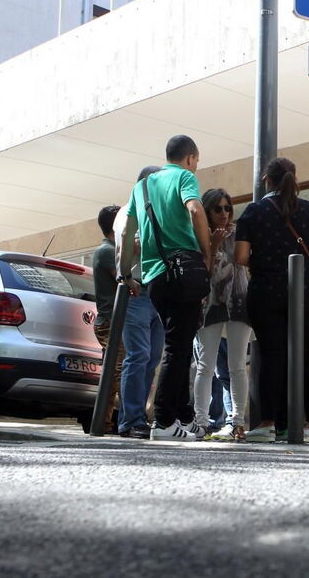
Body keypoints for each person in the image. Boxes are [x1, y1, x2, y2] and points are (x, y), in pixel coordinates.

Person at [118, 135, 211, 441]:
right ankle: (164, 421)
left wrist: (125, 275)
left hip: (155, 277)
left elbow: (126, 234)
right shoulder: (184, 177)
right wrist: (206, 254)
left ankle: (180, 416)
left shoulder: (141, 186)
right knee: (177, 348)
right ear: (190, 158)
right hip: (183, 271)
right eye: (196, 161)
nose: (195, 166)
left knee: (180, 347)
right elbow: (196, 210)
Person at [235, 158, 309, 442]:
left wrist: (264, 261)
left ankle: (267, 423)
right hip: (305, 291)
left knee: (271, 356)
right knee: (308, 357)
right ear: (294, 177)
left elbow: (240, 257)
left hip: (266, 291)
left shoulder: (253, 211)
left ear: (266, 179)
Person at [193, 188, 251, 442]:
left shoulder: (240, 233)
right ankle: (200, 422)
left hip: (238, 301)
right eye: (218, 208)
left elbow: (247, 263)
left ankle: (238, 422)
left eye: (228, 208)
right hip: (211, 304)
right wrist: (213, 245)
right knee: (205, 366)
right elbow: (201, 272)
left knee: (237, 366)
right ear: (207, 210)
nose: (224, 213)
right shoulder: (200, 234)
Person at [111, 165, 166, 439]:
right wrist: (125, 275)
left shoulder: (155, 210)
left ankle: (137, 418)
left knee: (152, 358)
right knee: (139, 356)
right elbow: (126, 244)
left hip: (157, 292)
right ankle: (130, 420)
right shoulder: (128, 211)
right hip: (136, 292)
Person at [90, 205, 124, 435]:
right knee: (119, 372)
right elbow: (124, 276)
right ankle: (112, 422)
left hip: (111, 321)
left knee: (113, 374)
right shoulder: (107, 251)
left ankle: (105, 422)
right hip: (110, 321)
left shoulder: (109, 249)